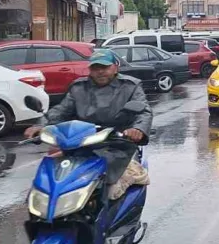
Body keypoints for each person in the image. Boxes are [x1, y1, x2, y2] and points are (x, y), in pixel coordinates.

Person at [25, 49, 152, 195]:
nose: (100, 72)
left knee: (109, 191)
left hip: (116, 144)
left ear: (115, 67)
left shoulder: (130, 86)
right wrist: (42, 125)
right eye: (95, 68)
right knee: (48, 182)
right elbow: (61, 110)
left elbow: (143, 111)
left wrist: (138, 129)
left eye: (104, 67)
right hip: (80, 144)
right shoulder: (79, 87)